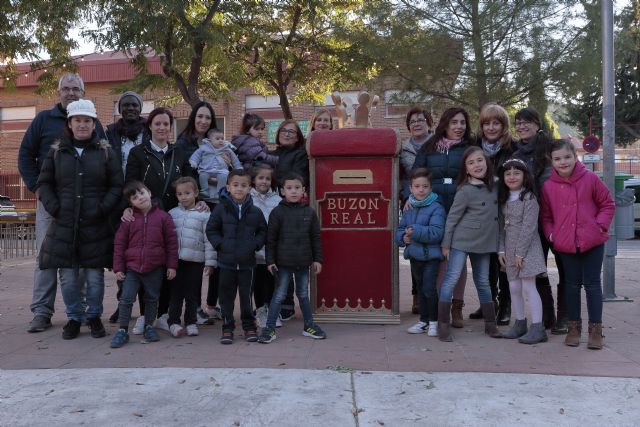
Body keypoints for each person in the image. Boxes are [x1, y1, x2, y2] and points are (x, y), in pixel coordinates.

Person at [18, 73, 106, 333]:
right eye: (66, 88)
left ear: (83, 91)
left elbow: (104, 156)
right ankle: (42, 312)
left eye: (75, 89)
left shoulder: (93, 122)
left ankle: (75, 312)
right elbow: (25, 155)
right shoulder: (43, 120)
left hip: (82, 203)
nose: (70, 93)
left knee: (77, 257)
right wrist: (38, 188)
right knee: (46, 258)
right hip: (50, 202)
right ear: (58, 92)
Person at [37, 99, 123, 340]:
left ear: (94, 124)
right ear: (70, 123)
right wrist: (55, 207)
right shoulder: (57, 152)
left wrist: (102, 208)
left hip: (95, 225)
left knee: (95, 276)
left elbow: (117, 185)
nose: (83, 125)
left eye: (87, 121)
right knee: (68, 276)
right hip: (64, 224)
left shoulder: (105, 152)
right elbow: (44, 183)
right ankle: (74, 318)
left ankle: (94, 317)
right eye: (78, 120)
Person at [124, 107, 199, 333]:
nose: (162, 128)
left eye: (166, 124)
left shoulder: (179, 153)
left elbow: (190, 182)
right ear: (150, 126)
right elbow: (130, 185)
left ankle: (164, 313)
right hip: (146, 217)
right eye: (157, 123)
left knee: (168, 265)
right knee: (145, 265)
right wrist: (129, 208)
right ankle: (146, 313)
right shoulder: (138, 153)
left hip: (173, 218)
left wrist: (199, 201)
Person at [540, 140, 614, 350]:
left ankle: (596, 330)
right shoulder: (548, 187)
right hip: (565, 244)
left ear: (575, 156)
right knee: (571, 286)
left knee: (592, 285)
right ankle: (573, 328)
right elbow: (546, 216)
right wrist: (552, 234)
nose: (563, 162)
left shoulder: (590, 179)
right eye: (557, 159)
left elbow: (607, 204)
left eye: (566, 157)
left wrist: (599, 227)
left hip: (592, 241)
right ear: (551, 162)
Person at [412, 107, 474, 329]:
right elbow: (417, 176)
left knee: (458, 261)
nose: (459, 127)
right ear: (445, 124)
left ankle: (457, 307)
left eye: (462, 122)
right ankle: (442, 308)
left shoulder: (470, 148)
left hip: (461, 209)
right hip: (434, 210)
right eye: (454, 122)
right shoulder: (428, 148)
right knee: (439, 260)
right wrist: (411, 198)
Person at [438, 146, 502, 342]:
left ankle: (491, 324)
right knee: (451, 278)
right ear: (466, 168)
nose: (476, 165)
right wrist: (446, 244)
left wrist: (501, 245)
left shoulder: (497, 185)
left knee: (483, 281)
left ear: (487, 162)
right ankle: (443, 324)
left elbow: (500, 216)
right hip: (461, 240)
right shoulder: (465, 190)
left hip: (484, 241)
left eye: (480, 160)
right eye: (471, 162)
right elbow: (452, 218)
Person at [513, 107, 566, 333]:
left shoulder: (551, 148)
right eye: (518, 122)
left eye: (526, 122)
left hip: (555, 218)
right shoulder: (515, 152)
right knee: (538, 269)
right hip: (531, 221)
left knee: (566, 270)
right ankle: (548, 317)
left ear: (537, 124)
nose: (522, 126)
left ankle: (565, 318)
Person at [258, 172, 326, 343]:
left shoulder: (310, 213)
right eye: (289, 188)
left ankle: (309, 325)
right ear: (282, 191)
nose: (293, 191)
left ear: (303, 191)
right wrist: (270, 261)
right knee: (279, 296)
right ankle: (270, 328)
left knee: (303, 294)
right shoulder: (277, 213)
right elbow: (270, 240)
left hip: (303, 262)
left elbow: (315, 238)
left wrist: (318, 259)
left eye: (297, 188)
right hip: (283, 264)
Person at [110, 181, 179, 348]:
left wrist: (171, 265)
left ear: (149, 192)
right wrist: (118, 267)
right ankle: (122, 330)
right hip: (132, 268)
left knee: (152, 298)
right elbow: (119, 244)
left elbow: (171, 243)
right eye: (134, 197)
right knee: (126, 299)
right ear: (130, 203)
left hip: (155, 267)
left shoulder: (164, 217)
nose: (140, 198)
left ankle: (149, 326)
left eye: (141, 193)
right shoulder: (128, 219)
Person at [206, 169, 267, 344]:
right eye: (235, 185)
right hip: (226, 262)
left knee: (246, 298)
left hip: (248, 263)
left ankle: (249, 327)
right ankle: (227, 327)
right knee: (226, 297)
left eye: (243, 185)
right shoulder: (220, 209)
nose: (239, 189)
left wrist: (254, 245)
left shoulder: (255, 211)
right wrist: (221, 245)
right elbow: (211, 230)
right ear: (228, 187)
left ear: (250, 188)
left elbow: (263, 231)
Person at [175, 101, 221, 326]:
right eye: (200, 116)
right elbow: (185, 176)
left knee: (212, 256)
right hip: (195, 205)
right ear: (193, 117)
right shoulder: (184, 143)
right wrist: (197, 200)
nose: (203, 121)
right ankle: (191, 309)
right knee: (192, 260)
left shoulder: (216, 143)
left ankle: (209, 305)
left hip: (215, 203)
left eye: (208, 118)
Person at [471, 103, 514, 325]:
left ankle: (505, 305)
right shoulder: (474, 147)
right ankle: (489, 302)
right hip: (484, 211)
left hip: (506, 209)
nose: (491, 127)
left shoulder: (512, 148)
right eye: (486, 123)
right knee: (486, 260)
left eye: (496, 123)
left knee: (503, 259)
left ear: (503, 125)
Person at [106, 91, 146, 324]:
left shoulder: (148, 131)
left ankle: (145, 306)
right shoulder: (109, 133)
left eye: (134, 105)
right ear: (120, 109)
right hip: (115, 200)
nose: (130, 108)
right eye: (126, 105)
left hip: (142, 200)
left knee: (143, 253)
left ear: (140, 108)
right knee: (120, 256)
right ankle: (124, 303)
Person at [497, 158, 547, 344]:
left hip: (527, 250)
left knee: (528, 286)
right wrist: (501, 249)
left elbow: (529, 227)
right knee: (513, 287)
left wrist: (520, 253)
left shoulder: (529, 198)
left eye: (516, 173)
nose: (512, 176)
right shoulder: (502, 199)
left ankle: (538, 327)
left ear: (525, 176)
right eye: (508, 173)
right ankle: (519, 324)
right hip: (509, 249)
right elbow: (501, 226)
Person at [395, 168, 445, 337]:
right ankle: (423, 321)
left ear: (430, 188)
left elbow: (437, 232)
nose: (421, 190)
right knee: (420, 289)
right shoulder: (408, 207)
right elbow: (401, 229)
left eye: (425, 186)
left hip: (431, 256)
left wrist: (414, 231)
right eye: (417, 186)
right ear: (411, 188)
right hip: (415, 255)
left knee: (429, 289)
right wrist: (403, 238)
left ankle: (433, 322)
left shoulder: (437, 207)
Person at [167, 177, 216, 337]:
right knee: (175, 294)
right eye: (180, 194)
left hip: (195, 261)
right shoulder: (172, 213)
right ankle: (173, 322)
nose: (184, 197)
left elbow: (208, 240)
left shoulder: (204, 215)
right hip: (175, 262)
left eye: (187, 193)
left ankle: (191, 322)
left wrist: (210, 262)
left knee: (192, 293)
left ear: (196, 193)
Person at [400, 107, 434, 314]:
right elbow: (400, 178)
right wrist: (406, 197)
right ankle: (417, 295)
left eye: (421, 120)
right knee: (414, 249)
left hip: (434, 202)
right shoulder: (402, 149)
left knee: (435, 251)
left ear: (429, 123)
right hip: (411, 204)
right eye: (412, 121)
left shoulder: (438, 145)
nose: (416, 124)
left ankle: (434, 295)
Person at [250, 164, 283, 329]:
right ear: (254, 180)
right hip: (254, 250)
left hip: (271, 250)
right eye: (261, 178)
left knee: (271, 281)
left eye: (267, 178)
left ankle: (272, 309)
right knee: (257, 282)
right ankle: (260, 310)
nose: (264, 181)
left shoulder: (277, 200)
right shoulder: (248, 198)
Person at [189, 128, 242, 201]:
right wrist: (193, 162)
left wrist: (238, 167)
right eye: (217, 139)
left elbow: (234, 158)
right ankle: (205, 190)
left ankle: (219, 192)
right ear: (210, 141)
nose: (220, 140)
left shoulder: (226, 148)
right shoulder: (204, 147)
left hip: (221, 170)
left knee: (223, 177)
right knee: (202, 176)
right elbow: (196, 155)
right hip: (206, 169)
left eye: (222, 138)